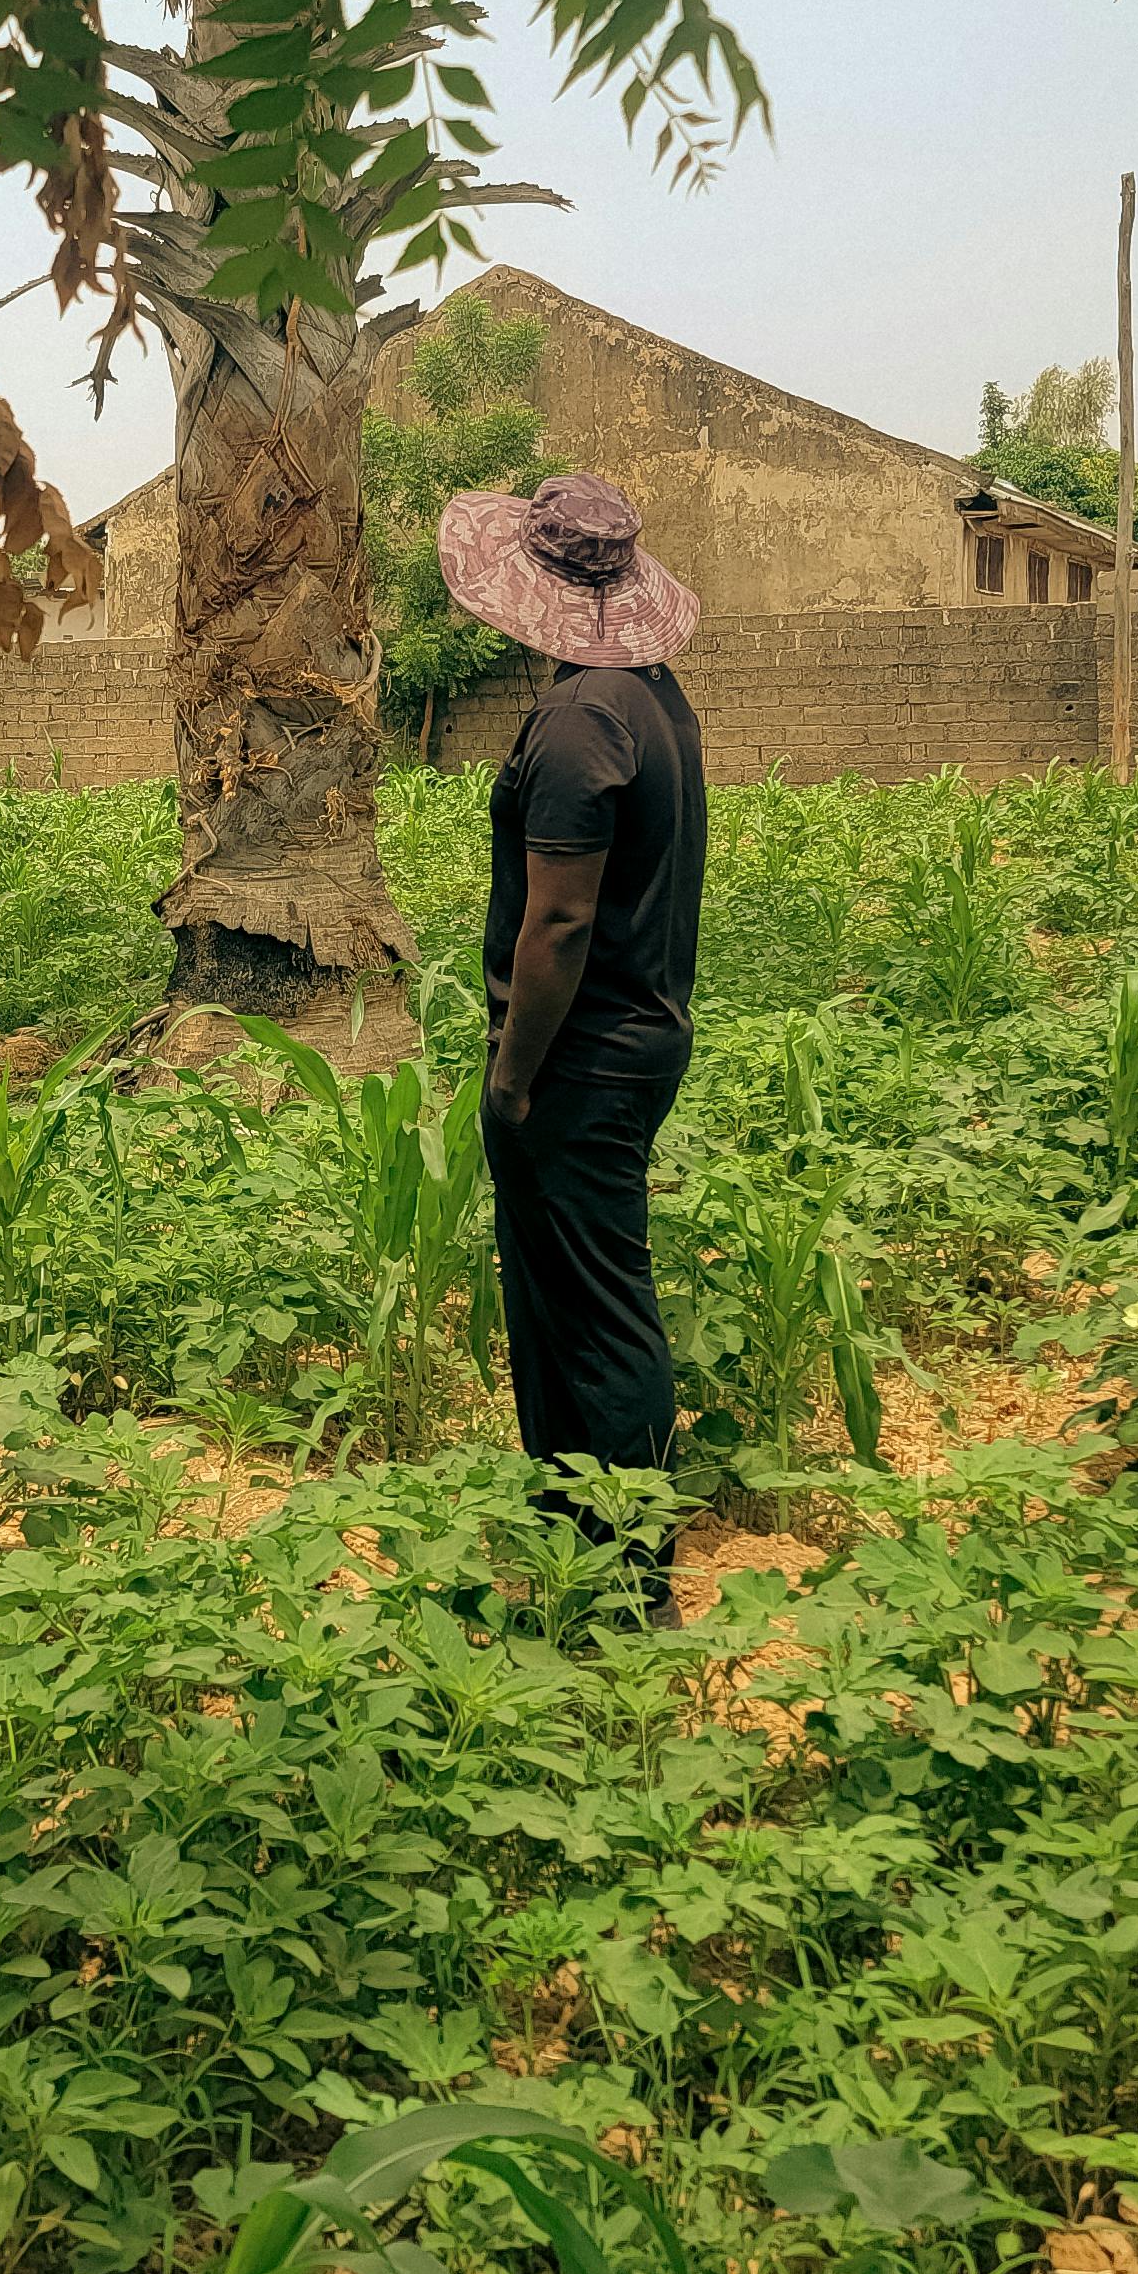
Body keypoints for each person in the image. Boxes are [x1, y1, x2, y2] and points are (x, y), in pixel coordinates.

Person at [438, 471, 706, 1614]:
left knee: (590, 1304)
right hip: (639, 1037)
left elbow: (559, 918)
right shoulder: (651, 696)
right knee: (575, 1292)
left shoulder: (579, 718)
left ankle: (622, 1575)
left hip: (579, 1056)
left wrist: (510, 1076)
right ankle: (576, 1530)